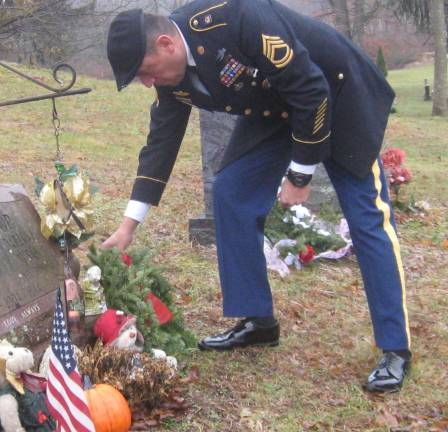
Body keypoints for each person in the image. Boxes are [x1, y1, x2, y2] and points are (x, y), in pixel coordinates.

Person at [102, 0, 412, 393]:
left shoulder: (236, 17)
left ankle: (395, 347)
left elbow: (311, 89)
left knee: (366, 214)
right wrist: (129, 225)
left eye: (145, 73)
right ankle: (257, 321)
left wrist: (300, 175)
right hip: (278, 108)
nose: (147, 84)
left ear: (165, 44)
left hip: (335, 90)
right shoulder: (172, 77)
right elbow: (161, 142)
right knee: (231, 193)